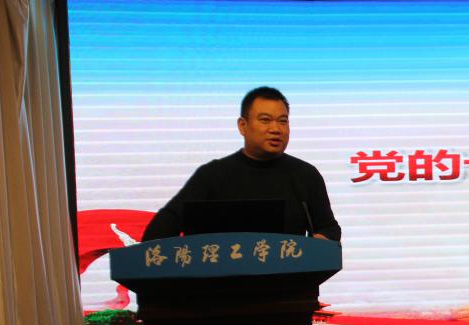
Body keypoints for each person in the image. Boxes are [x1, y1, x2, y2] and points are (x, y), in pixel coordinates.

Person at [141, 86, 341, 242]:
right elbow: (159, 232)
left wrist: (319, 242)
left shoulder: (305, 175)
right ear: (243, 126)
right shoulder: (212, 175)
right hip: (222, 281)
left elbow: (329, 228)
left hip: (290, 281)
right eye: (265, 120)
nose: (276, 129)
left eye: (283, 121)